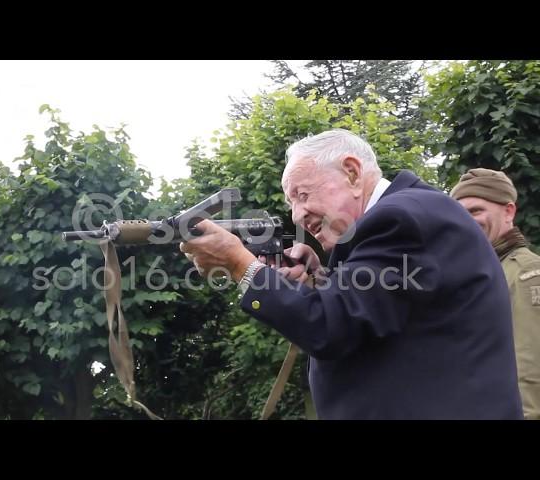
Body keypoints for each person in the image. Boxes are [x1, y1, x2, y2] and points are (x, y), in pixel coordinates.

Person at [180, 129, 523, 420]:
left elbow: (331, 326)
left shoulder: (401, 219)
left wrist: (241, 265)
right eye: (291, 204)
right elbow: (378, 313)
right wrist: (320, 278)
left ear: (352, 173)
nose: (298, 215)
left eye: (303, 194)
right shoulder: (410, 214)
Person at [451, 168, 540, 419]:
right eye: (460, 213)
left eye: (476, 211)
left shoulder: (526, 273)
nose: (468, 221)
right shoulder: (482, 271)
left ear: (509, 211)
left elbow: (530, 370)